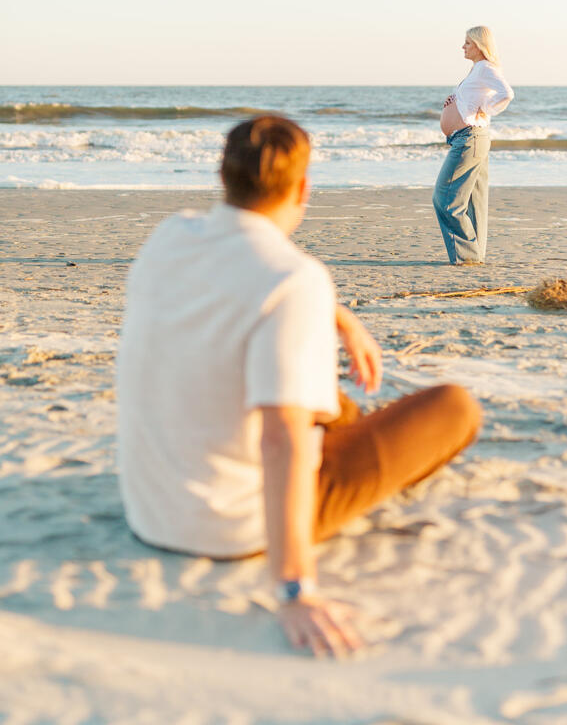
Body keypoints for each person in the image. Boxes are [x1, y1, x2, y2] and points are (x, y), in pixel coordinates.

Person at [116, 115, 481, 656]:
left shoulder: (170, 236)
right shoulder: (294, 278)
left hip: (150, 511)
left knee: (326, 399)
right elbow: (279, 440)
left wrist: (342, 319)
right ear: (304, 187)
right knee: (454, 408)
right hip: (233, 527)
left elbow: (243, 278)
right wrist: (294, 590)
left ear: (224, 177)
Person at [433, 26, 514, 265]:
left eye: (468, 42)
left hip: (470, 139)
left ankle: (467, 255)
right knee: (474, 202)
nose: (463, 46)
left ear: (479, 45)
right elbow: (472, 99)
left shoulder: (485, 68)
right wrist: (454, 99)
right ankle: (474, 256)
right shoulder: (477, 70)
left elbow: (506, 93)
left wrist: (486, 108)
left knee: (445, 199)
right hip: (471, 138)